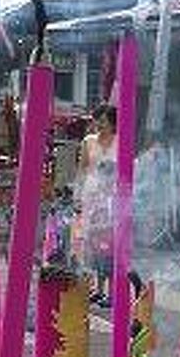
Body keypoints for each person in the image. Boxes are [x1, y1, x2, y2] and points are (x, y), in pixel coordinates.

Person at [76, 103, 117, 306]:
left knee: (110, 245)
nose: (99, 125)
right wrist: (77, 194)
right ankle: (99, 289)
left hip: (113, 200)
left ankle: (112, 292)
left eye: (103, 121)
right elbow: (82, 170)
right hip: (92, 196)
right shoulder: (88, 141)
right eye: (97, 121)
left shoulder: (121, 141)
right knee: (93, 245)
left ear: (112, 122)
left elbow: (128, 170)